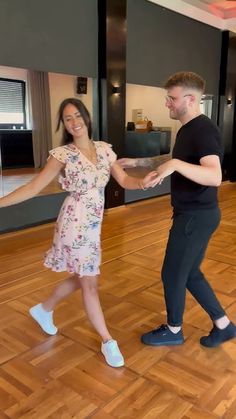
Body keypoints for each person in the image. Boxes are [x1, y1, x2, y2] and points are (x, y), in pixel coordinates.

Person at [0, 98, 159, 367]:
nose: (73, 122)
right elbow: (33, 187)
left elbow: (124, 181)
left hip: (93, 224)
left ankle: (43, 309)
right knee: (90, 284)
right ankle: (108, 341)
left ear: (86, 117)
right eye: (67, 119)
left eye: (77, 116)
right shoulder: (62, 154)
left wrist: (143, 182)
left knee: (81, 276)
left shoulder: (104, 150)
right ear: (64, 124)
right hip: (74, 224)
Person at [118, 71, 236, 348]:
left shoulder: (204, 130)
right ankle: (224, 325)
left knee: (172, 273)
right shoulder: (187, 129)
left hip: (196, 216)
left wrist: (172, 166)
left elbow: (214, 176)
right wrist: (138, 162)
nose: (167, 104)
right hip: (193, 214)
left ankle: (174, 330)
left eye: (172, 99)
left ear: (191, 99)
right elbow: (174, 160)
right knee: (190, 273)